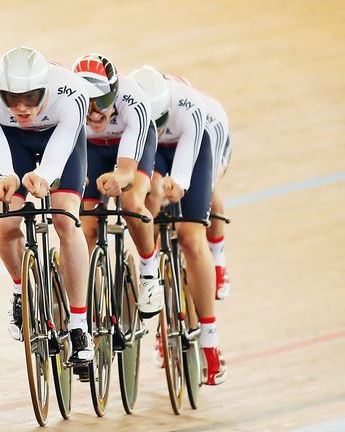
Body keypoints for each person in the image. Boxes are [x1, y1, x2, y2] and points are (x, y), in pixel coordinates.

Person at [0, 47, 93, 364]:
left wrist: (45, 176)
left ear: (46, 90)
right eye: (12, 99)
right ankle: (20, 290)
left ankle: (79, 326)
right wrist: (3, 178)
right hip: (14, 142)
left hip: (59, 138)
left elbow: (60, 151)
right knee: (6, 221)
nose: (22, 108)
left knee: (66, 219)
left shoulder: (72, 92)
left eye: (31, 98)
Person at [129, 65, 227, 385]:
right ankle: (162, 318)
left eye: (158, 123)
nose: (155, 128)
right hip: (151, 154)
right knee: (151, 213)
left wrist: (179, 183)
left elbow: (185, 170)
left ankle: (210, 342)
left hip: (193, 150)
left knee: (190, 237)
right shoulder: (131, 108)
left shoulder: (190, 107)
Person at [71, 54, 163, 317]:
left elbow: (126, 173)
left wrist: (119, 180)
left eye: (102, 101)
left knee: (132, 203)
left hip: (134, 144)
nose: (94, 111)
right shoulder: (70, 104)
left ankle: (149, 274)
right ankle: (85, 305)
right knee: (86, 224)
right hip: (93, 149)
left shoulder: (134, 100)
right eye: (87, 103)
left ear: (114, 92)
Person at [165, 74, 234, 300]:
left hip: (213, 143)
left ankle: (218, 260)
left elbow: (207, 173)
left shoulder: (210, 115)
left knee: (208, 190)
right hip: (173, 142)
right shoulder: (166, 114)